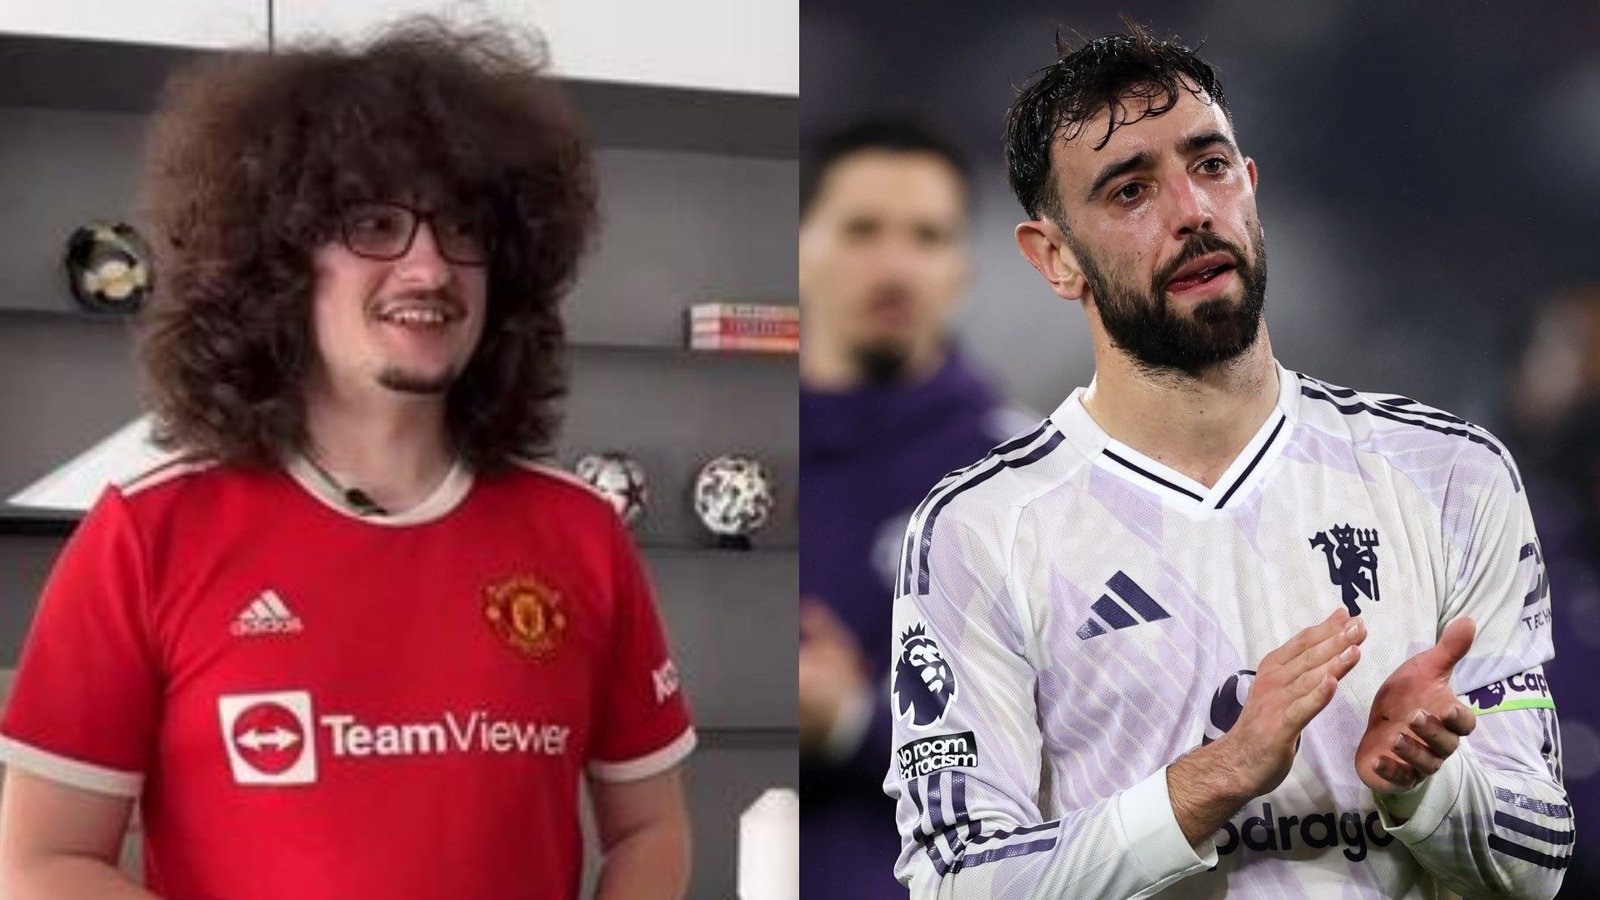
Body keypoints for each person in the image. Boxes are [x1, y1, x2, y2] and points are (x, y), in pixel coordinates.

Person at [0, 22, 693, 900]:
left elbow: (649, 827)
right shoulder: (146, 535)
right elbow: (43, 864)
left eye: (464, 228)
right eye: (375, 224)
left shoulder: (581, 533)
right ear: (281, 264)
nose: (430, 266)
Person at [883, 26, 1570, 899]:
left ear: (1250, 186)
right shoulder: (979, 531)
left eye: (1208, 167)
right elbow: (954, 879)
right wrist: (1212, 779)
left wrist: (1424, 783)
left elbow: (1539, 861)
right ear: (1055, 258)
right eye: (1131, 190)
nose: (1191, 211)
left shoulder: (1449, 476)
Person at [799, 119, 1030, 899]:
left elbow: (1073, 748)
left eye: (927, 237)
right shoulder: (729, 453)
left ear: (962, 267)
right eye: (861, 230)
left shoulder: (1025, 477)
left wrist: (856, 721)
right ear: (800, 245)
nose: (894, 266)